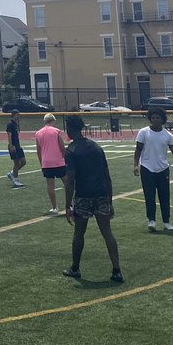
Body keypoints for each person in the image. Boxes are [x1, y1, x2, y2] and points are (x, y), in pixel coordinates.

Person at [62, 115, 123, 283]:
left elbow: (71, 180)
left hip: (84, 195)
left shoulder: (71, 150)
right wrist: (110, 201)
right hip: (101, 193)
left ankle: (75, 268)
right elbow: (107, 176)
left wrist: (68, 205)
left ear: (69, 129)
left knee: (79, 233)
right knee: (107, 232)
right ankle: (117, 270)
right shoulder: (96, 147)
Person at [133, 108, 173, 231]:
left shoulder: (167, 135)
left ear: (163, 119)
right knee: (149, 196)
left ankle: (166, 222)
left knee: (164, 196)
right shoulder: (143, 132)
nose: (155, 120)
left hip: (162, 169)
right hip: (147, 168)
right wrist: (136, 165)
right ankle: (151, 220)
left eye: (158, 118)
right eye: (153, 118)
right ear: (150, 119)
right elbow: (138, 150)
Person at [34, 113, 68, 214]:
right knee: (67, 183)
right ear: (52, 121)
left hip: (46, 162)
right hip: (58, 161)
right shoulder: (56, 131)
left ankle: (54, 207)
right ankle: (70, 204)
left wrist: (42, 163)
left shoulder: (38, 133)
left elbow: (38, 150)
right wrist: (65, 159)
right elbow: (62, 147)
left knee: (50, 185)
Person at [5, 109, 26, 187]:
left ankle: (12, 174)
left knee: (23, 162)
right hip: (13, 146)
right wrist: (11, 145)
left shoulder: (15, 124)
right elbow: (9, 135)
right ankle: (15, 180)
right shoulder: (10, 124)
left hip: (18, 145)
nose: (18, 116)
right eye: (17, 115)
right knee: (16, 163)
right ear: (13, 115)